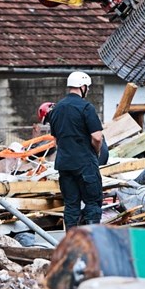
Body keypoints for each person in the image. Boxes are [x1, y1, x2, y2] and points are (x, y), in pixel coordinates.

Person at [48, 72, 104, 229]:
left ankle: (72, 244)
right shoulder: (86, 108)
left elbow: (56, 139)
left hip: (64, 164)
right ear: (83, 87)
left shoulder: (56, 109)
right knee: (92, 203)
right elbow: (97, 137)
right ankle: (91, 244)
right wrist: (97, 152)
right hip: (85, 163)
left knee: (71, 205)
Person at [38, 101, 109, 166]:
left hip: (96, 156)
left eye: (48, 119)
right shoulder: (70, 117)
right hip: (98, 152)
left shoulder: (63, 124)